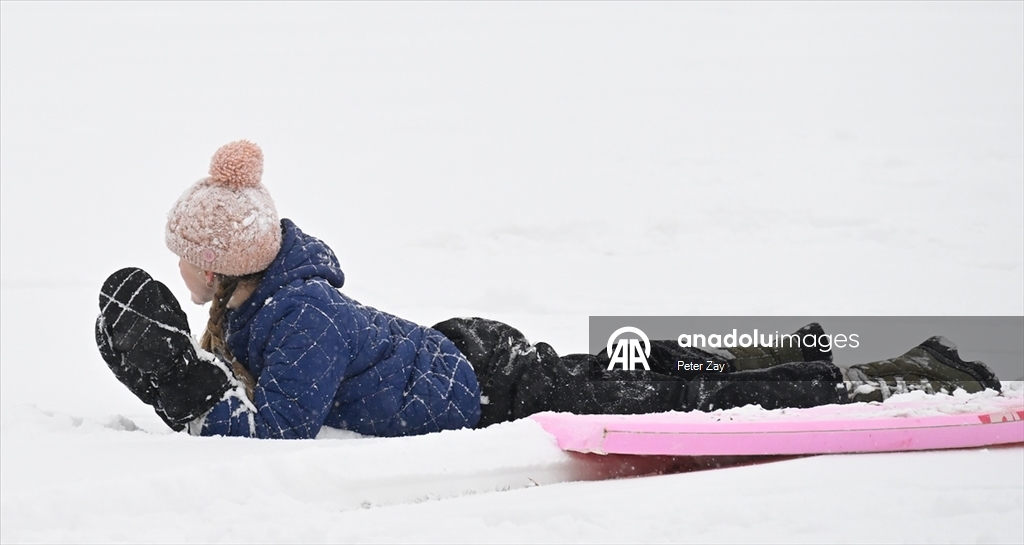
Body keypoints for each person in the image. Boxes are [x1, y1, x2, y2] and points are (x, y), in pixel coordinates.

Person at [94, 141, 1003, 438]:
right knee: (631, 365)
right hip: (469, 361)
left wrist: (193, 399)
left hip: (492, 387)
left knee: (671, 393)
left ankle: (876, 375)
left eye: (185, 252)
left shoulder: (293, 315)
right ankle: (807, 351)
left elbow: (280, 429)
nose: (179, 267)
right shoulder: (272, 299)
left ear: (220, 259)